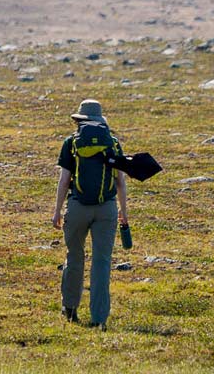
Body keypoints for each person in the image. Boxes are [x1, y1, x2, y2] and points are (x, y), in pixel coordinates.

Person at [52, 99, 130, 328]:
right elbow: (120, 182)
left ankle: (70, 308)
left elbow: (64, 180)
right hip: (106, 208)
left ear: (79, 121)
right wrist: (123, 212)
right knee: (102, 263)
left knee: (74, 256)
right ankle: (99, 319)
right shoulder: (112, 143)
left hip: (77, 208)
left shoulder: (71, 143)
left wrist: (57, 210)